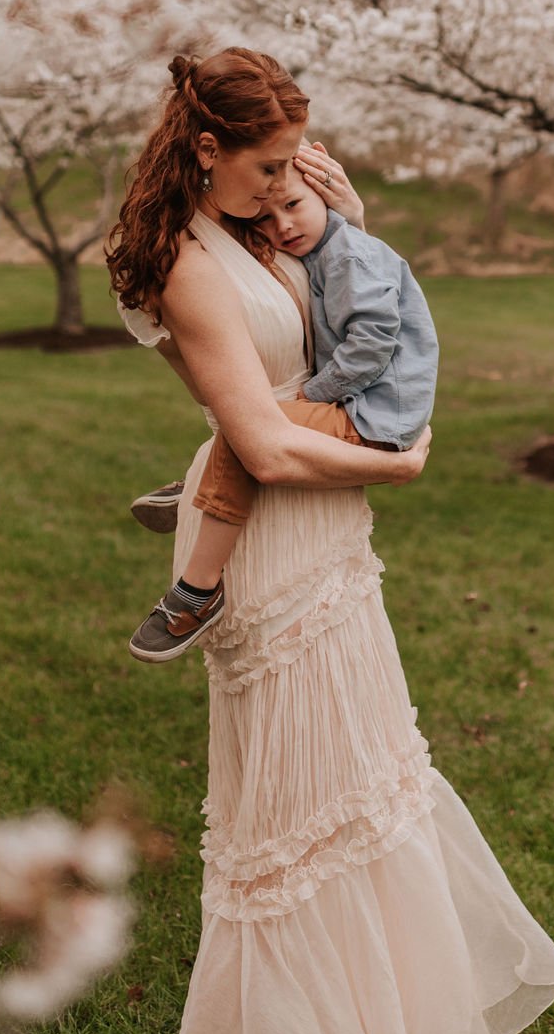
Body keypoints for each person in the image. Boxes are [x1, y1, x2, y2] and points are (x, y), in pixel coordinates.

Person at [107, 45, 554, 1034]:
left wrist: (341, 214)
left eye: (290, 167)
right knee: (290, 818)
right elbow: (265, 447)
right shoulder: (184, 262)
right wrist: (396, 461)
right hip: (271, 539)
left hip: (330, 538)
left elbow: (355, 308)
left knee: (364, 788)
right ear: (204, 148)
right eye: (267, 166)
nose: (285, 185)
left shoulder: (256, 227)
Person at [126, 157, 439, 662]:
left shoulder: (349, 256)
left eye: (292, 206)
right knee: (251, 427)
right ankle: (206, 489)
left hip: (370, 414)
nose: (283, 226)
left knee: (249, 429)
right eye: (266, 220)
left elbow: (371, 343)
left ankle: (197, 591)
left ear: (324, 195)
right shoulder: (330, 248)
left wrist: (307, 397)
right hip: (361, 403)